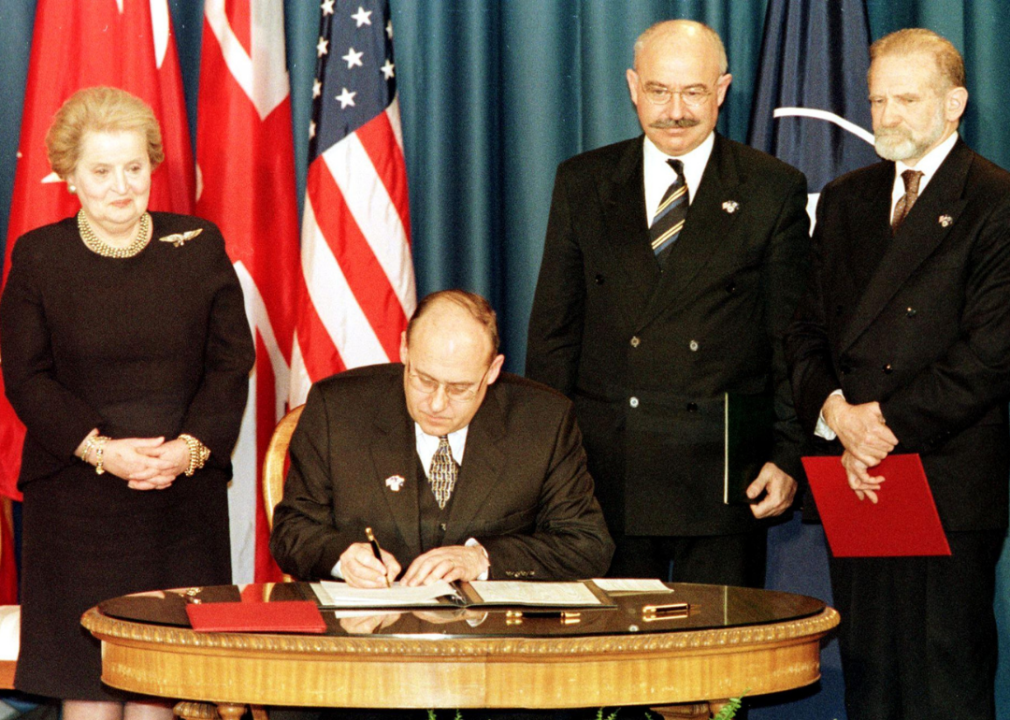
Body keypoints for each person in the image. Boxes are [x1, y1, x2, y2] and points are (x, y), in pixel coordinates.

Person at [525, 19, 809, 587]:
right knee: (615, 661)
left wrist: (788, 454)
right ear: (633, 87)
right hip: (608, 470)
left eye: (693, 92)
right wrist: (546, 466)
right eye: (659, 91)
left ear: (722, 90)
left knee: (721, 659)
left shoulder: (771, 187)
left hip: (726, 471)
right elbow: (555, 332)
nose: (675, 110)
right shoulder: (583, 181)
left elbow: (791, 337)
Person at [0, 87, 254, 720]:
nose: (121, 186)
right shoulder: (39, 256)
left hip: (180, 500)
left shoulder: (197, 243)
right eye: (102, 171)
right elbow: (27, 378)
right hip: (78, 505)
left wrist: (189, 451)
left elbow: (230, 364)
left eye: (134, 167)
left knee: (159, 693)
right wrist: (101, 451)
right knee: (88, 695)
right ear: (69, 176)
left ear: (153, 165)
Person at [785, 28, 1009, 720]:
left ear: (956, 104)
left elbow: (990, 351)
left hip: (943, 477)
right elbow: (805, 329)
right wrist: (837, 417)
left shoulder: (996, 201)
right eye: (878, 99)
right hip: (861, 478)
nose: (886, 117)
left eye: (907, 99)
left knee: (945, 678)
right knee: (872, 676)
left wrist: (879, 426)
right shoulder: (847, 199)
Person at [270, 289, 614, 588]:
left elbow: (587, 546)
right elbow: (292, 532)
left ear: (492, 371)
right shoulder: (339, 411)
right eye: (424, 380)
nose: (436, 403)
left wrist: (481, 559)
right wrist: (342, 557)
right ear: (404, 348)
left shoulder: (542, 422)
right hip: (367, 641)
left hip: (494, 649)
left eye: (460, 388)